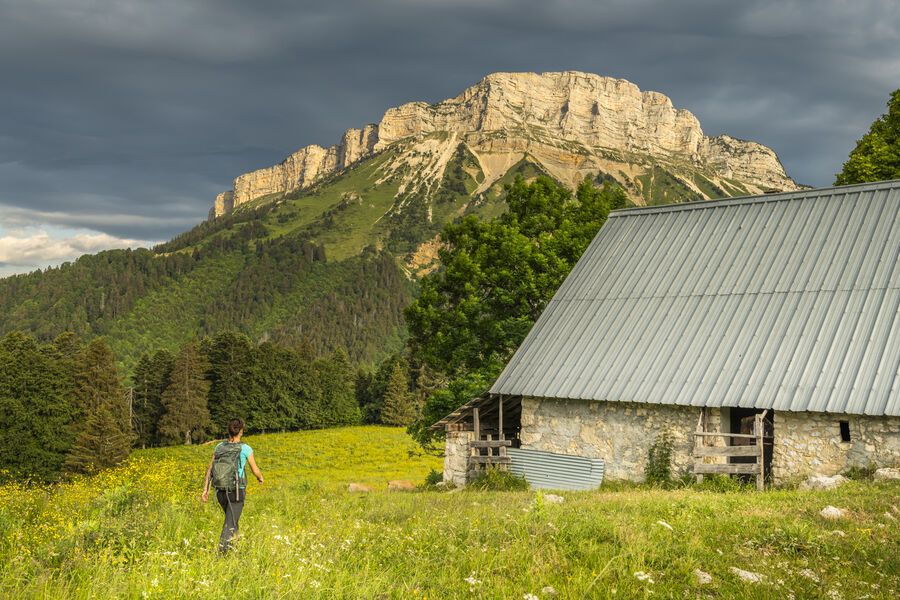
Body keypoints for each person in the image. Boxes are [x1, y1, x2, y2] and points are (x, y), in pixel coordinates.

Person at [202, 418, 263, 554]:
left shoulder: (219, 447)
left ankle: (234, 551)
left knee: (232, 520)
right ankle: (221, 556)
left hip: (220, 492)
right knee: (230, 523)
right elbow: (255, 469)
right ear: (241, 431)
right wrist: (260, 478)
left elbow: (210, 468)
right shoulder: (245, 448)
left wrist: (205, 489)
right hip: (236, 491)